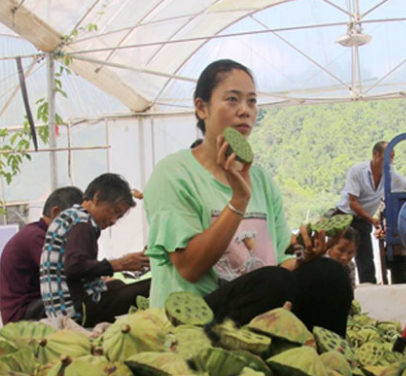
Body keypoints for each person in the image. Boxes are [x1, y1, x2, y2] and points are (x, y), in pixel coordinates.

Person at [143, 59, 353, 336]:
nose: (245, 111)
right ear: (202, 108)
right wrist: (238, 201)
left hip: (256, 302)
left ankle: (321, 358)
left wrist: (304, 257)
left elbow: (280, 262)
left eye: (252, 102)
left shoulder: (262, 180)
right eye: (232, 99)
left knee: (329, 274)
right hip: (192, 319)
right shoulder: (173, 174)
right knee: (274, 282)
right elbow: (189, 267)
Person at [39, 173, 151, 327]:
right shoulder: (82, 222)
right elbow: (74, 266)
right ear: (97, 197)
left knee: (118, 285)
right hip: (76, 311)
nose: (113, 221)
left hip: (58, 310)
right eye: (114, 211)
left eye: (118, 217)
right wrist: (119, 264)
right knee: (150, 286)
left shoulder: (69, 216)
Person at [336, 141, 406, 284]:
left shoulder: (390, 174)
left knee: (366, 261)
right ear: (375, 155)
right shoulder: (357, 171)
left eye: (392, 157)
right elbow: (353, 202)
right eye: (388, 156)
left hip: (363, 220)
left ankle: (368, 287)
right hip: (344, 217)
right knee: (340, 256)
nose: (390, 161)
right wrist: (372, 220)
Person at [0, 186, 83, 324]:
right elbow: (65, 274)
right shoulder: (37, 237)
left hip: (36, 304)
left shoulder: (39, 234)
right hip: (23, 313)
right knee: (83, 298)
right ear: (56, 212)